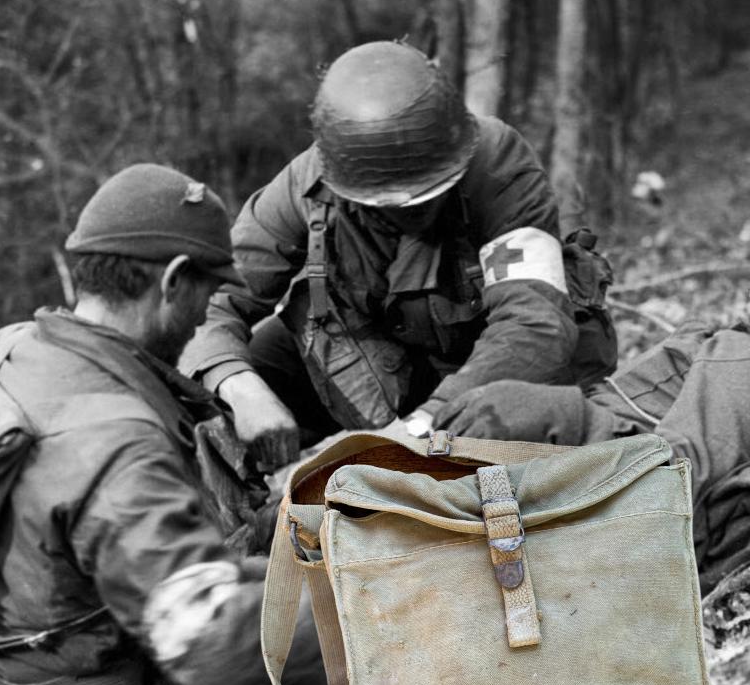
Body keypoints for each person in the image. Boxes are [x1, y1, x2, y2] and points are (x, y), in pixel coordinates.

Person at [0, 164, 321, 685]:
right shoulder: (116, 444)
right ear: (173, 281)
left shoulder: (19, 347)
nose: (206, 315)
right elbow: (215, 646)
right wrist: (376, 613)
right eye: (207, 293)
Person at [181, 40, 616, 472]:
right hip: (370, 360)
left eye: (429, 193)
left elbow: (532, 324)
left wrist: (425, 426)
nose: (413, 211)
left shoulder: (497, 167)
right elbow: (213, 296)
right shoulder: (306, 186)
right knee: (209, 404)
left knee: (549, 459)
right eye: (387, 205)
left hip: (491, 375)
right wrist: (239, 386)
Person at [433, 316, 750, 594]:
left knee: (500, 411)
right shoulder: (724, 352)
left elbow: (679, 481)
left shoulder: (738, 357)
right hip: (593, 470)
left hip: (614, 482)